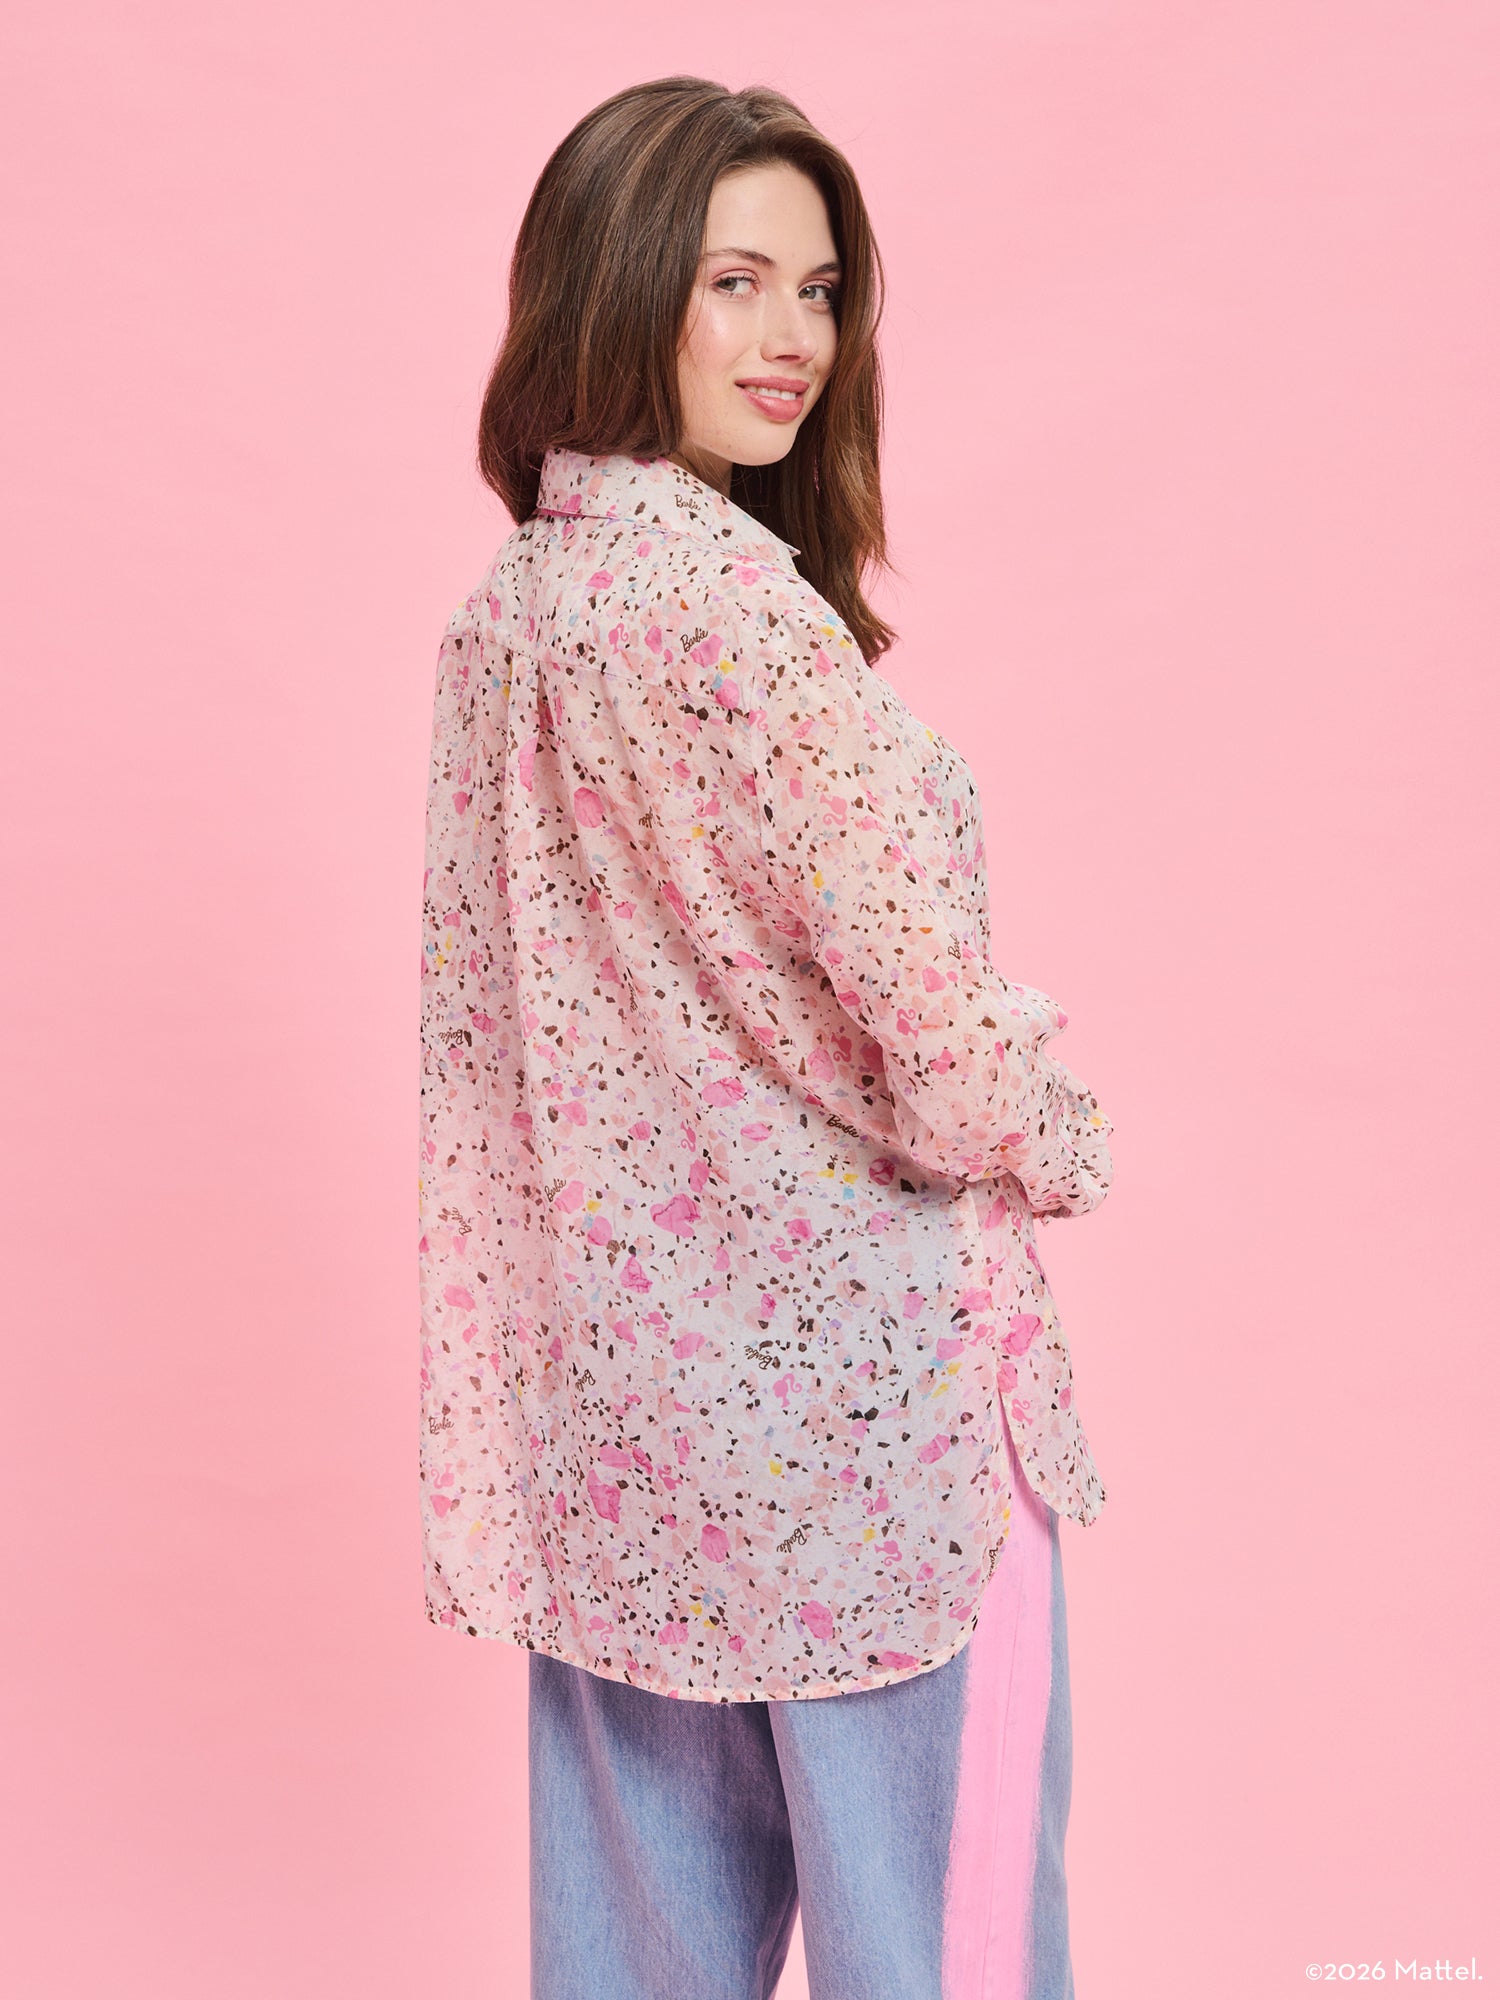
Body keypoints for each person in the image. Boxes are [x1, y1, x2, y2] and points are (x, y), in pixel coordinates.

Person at [419, 74, 1115, 2000]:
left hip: (626, 1449)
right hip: (879, 1448)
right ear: (617, 285)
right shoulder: (747, 622)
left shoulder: (506, 621)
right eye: (732, 281)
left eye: (816, 289)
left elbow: (493, 1052)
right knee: (947, 1962)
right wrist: (1064, 1125)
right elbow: (943, 1047)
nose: (791, 336)